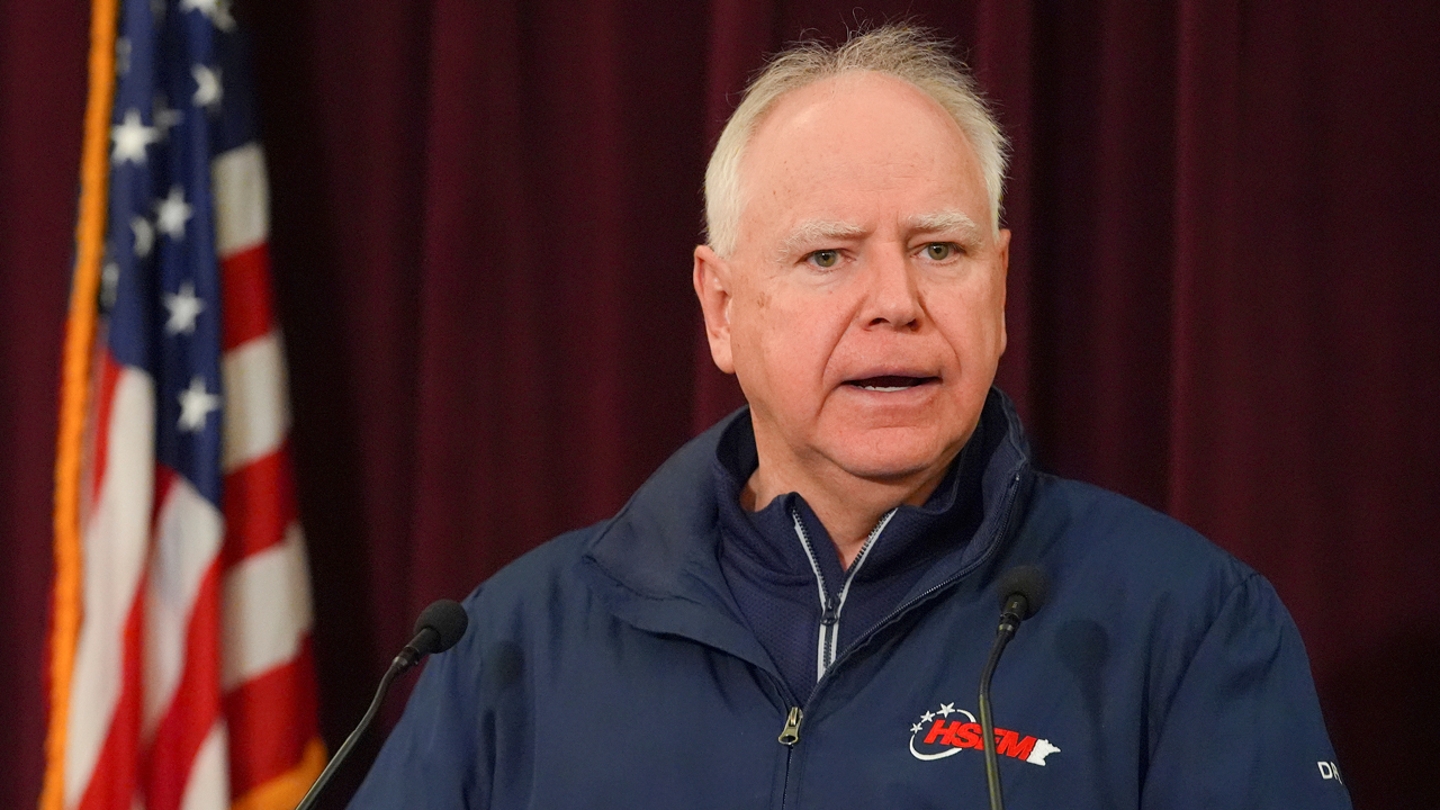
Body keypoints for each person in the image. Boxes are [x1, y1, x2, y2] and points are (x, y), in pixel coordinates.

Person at [348, 26, 1350, 809]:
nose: (896, 301)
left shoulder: (1189, 624)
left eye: (940, 250)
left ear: (999, 286)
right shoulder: (510, 643)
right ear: (723, 307)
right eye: (828, 256)